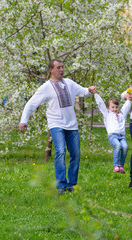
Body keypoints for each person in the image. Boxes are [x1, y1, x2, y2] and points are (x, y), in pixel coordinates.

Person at [18, 59, 97, 194]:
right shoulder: (45, 88)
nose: (61, 70)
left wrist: (89, 90)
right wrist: (23, 120)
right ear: (51, 70)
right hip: (56, 124)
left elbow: (83, 92)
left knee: (76, 154)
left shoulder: (70, 83)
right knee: (60, 151)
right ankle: (61, 185)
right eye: (58, 67)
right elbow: (31, 104)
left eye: (62, 67)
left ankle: (72, 184)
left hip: (72, 125)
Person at [94, 93, 132, 173]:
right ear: (108, 108)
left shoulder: (121, 115)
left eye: (116, 107)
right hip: (113, 136)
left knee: (125, 147)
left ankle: (121, 165)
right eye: (112, 107)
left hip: (122, 136)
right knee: (117, 146)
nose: (115, 109)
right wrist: (96, 94)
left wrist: (128, 100)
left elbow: (125, 108)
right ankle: (116, 165)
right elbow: (101, 104)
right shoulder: (107, 114)